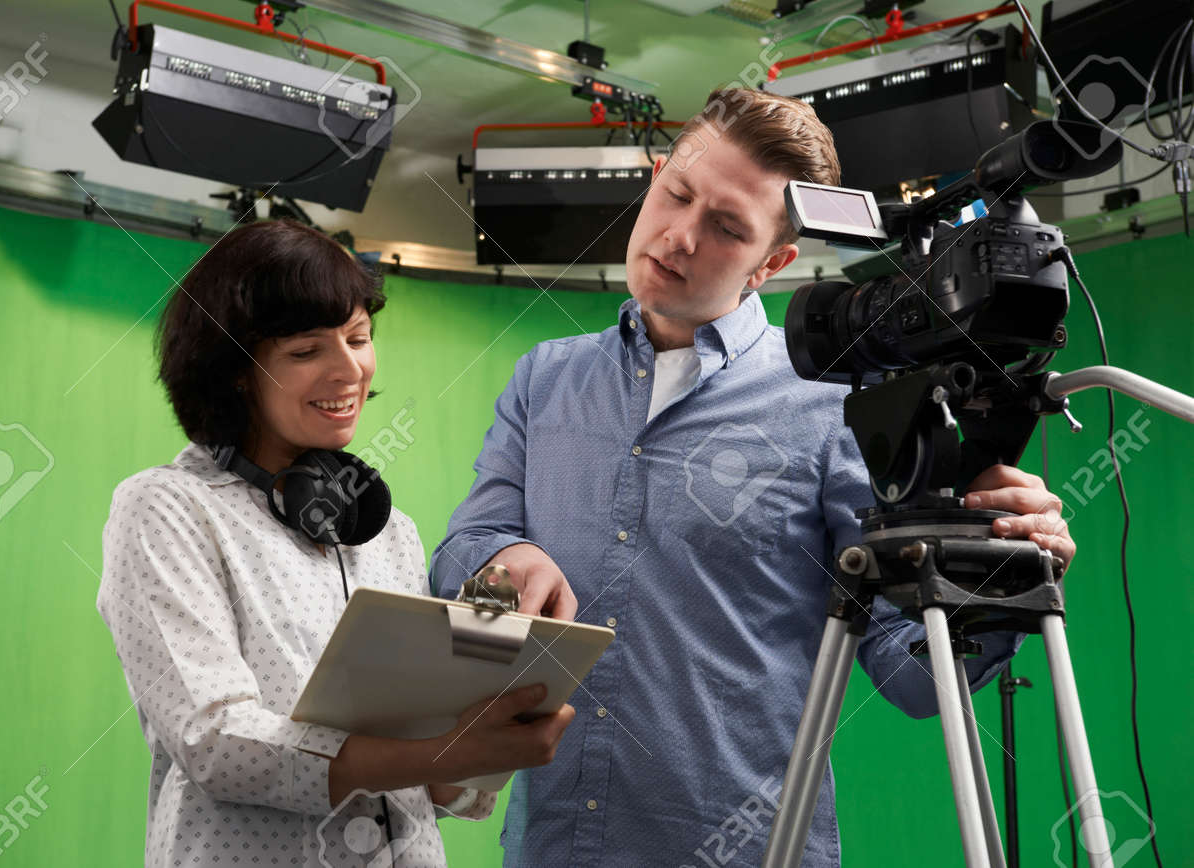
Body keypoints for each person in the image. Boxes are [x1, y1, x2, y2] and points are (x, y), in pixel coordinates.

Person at [430, 88, 1076, 866]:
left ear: (772, 263)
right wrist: (501, 563)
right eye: (676, 195)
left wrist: (995, 584)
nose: (678, 236)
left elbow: (907, 674)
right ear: (657, 176)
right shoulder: (545, 380)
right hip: (554, 847)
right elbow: (463, 549)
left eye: (726, 228)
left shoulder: (841, 406)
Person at [96, 219, 576, 868]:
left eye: (359, 338)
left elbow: (436, 785)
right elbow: (215, 743)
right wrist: (443, 751)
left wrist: (487, 731)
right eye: (306, 351)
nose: (349, 368)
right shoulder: (166, 509)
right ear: (236, 370)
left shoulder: (389, 530)